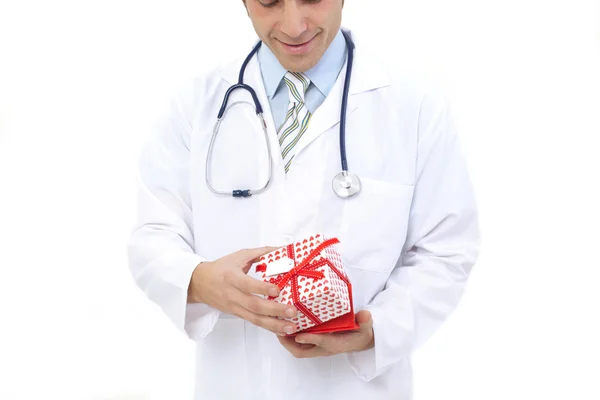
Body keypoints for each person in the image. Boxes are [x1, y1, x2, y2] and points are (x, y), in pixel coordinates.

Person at [127, 0, 480, 399]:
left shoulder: (413, 106)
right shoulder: (196, 106)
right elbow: (152, 236)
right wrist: (200, 281)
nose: (294, 26)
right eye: (269, 2)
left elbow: (446, 250)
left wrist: (377, 329)